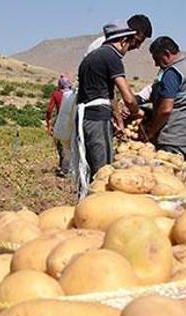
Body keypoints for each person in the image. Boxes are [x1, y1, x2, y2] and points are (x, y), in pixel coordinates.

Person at [73, 22, 143, 198]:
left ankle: (87, 205)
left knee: (89, 168)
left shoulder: (90, 57)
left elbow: (109, 94)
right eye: (129, 43)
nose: (128, 49)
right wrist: (136, 111)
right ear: (123, 40)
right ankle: (98, 213)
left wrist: (118, 121)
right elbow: (126, 95)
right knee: (103, 172)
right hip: (98, 119)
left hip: (85, 118)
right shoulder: (112, 57)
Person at [143, 36, 186, 196]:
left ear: (166, 53)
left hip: (174, 139)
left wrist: (151, 132)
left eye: (157, 59)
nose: (156, 64)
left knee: (170, 190)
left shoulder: (172, 73)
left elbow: (165, 109)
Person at [85, 14, 152, 56]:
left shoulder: (115, 50)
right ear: (130, 34)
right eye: (137, 41)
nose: (137, 46)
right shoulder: (106, 48)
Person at [46, 75, 73, 177]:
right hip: (73, 121)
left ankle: (63, 166)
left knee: (61, 144)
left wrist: (48, 122)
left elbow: (49, 110)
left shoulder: (56, 94)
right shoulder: (73, 94)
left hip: (60, 121)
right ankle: (71, 167)